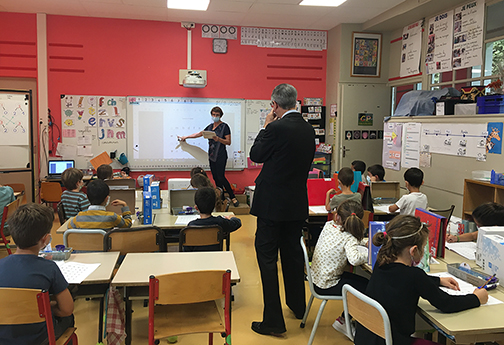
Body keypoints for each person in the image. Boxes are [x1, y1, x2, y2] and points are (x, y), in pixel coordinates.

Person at [354, 215, 487, 345]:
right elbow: (447, 304)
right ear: (413, 250)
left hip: (369, 338)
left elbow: (406, 279)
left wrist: (438, 280)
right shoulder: (414, 276)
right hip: (394, 340)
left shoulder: (381, 262)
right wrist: (476, 298)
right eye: (424, 247)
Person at [249, 83, 315, 336]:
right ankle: (298, 306)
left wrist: (265, 126)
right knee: (292, 255)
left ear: (275, 105)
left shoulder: (275, 127)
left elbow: (257, 154)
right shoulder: (308, 129)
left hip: (271, 205)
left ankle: (273, 321)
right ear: (295, 102)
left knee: (267, 259)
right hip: (296, 202)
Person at [0, 203, 74, 344]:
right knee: (68, 319)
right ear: (45, 239)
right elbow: (67, 309)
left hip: (4, 339)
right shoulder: (49, 268)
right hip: (40, 339)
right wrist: (46, 309)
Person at [311, 200, 369, 338]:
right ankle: (344, 320)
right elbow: (354, 260)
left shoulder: (329, 225)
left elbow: (346, 239)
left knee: (362, 283)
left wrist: (363, 242)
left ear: (337, 216)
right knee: (367, 287)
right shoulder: (349, 238)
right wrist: (369, 254)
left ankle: (345, 319)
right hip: (328, 285)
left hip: (316, 280)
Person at [178, 107, 240, 207]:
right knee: (215, 177)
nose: (215, 117)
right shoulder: (210, 127)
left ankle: (233, 197)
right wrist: (186, 137)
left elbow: (228, 142)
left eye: (217, 115)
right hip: (211, 156)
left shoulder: (225, 127)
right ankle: (221, 197)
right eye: (213, 115)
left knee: (221, 177)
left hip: (221, 155)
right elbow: (199, 134)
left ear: (220, 116)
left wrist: (218, 139)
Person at [184, 187, 242, 252]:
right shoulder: (219, 222)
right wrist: (232, 217)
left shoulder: (191, 226)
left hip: (195, 260)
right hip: (215, 258)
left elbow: (186, 249)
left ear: (196, 208)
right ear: (214, 205)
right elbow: (237, 223)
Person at [68, 179, 132, 229]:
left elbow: (69, 227)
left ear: (87, 197)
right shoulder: (112, 217)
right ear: (107, 198)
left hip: (85, 245)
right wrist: (124, 205)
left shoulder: (78, 217)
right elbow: (128, 224)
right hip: (106, 246)